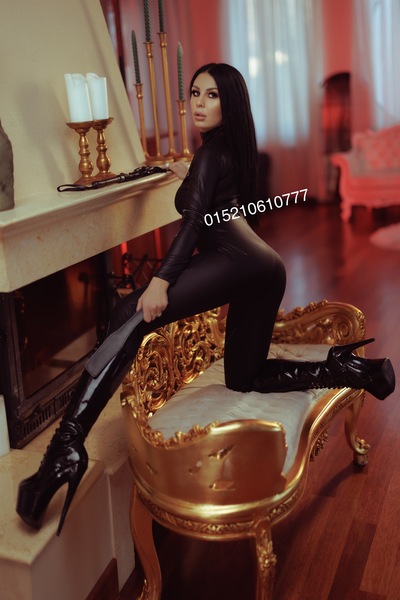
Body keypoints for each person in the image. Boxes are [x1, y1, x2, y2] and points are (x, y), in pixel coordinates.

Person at [16, 63, 395, 535]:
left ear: (228, 103)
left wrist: (161, 281)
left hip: (237, 261)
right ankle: (350, 369)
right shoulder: (226, 150)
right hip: (264, 268)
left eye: (211, 95)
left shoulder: (212, 155)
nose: (198, 102)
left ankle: (62, 451)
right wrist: (188, 173)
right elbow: (218, 203)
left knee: (127, 311)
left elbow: (194, 223)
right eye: (195, 92)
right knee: (244, 377)